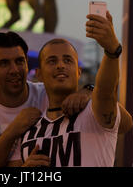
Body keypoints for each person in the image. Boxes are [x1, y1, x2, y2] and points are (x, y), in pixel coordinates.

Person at [0, 31, 132, 167]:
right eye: (4, 63)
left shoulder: (47, 92)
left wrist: (88, 91)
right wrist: (12, 132)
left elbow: (122, 123)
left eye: (19, 61)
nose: (14, 70)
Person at [9, 11, 127, 167]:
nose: (60, 65)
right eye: (52, 61)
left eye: (68, 60)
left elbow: (106, 92)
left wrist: (111, 51)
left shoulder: (95, 112)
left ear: (78, 72)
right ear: (39, 74)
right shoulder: (28, 128)